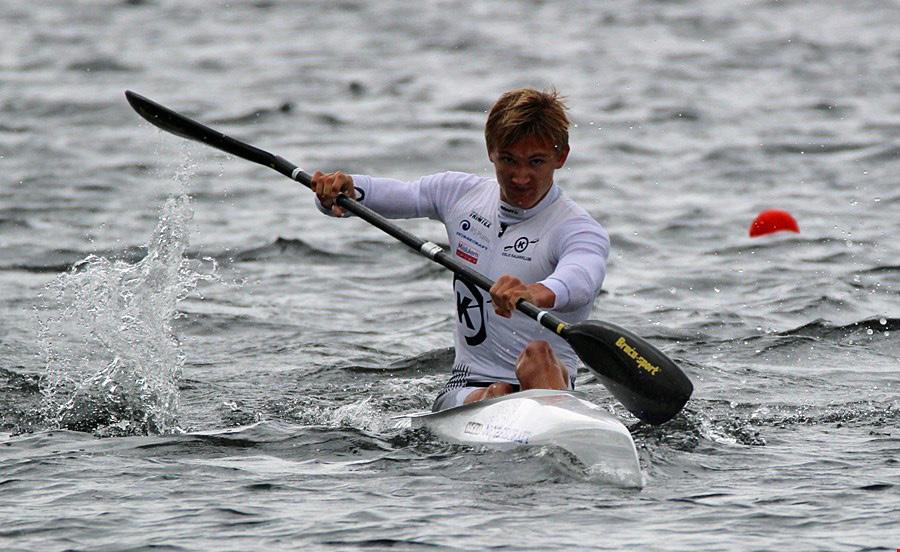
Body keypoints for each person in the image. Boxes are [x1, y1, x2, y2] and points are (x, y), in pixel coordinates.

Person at [312, 88, 609, 411]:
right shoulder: (459, 195)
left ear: (561, 157)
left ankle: (539, 407)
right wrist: (340, 192)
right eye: (508, 159)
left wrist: (534, 293)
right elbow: (391, 195)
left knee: (538, 353)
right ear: (490, 152)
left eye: (536, 162)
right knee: (498, 390)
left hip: (550, 382)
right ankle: (499, 397)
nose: (521, 177)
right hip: (466, 389)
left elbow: (581, 279)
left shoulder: (577, 228)